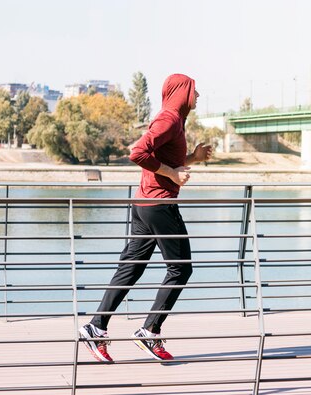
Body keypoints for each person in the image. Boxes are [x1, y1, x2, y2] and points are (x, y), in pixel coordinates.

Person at [79, 73, 212, 362]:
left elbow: (160, 158)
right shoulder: (169, 119)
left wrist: (192, 158)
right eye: (194, 90)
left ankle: (95, 328)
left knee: (131, 268)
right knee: (181, 269)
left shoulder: (173, 120)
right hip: (159, 206)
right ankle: (150, 331)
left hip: (143, 204)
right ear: (181, 91)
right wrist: (173, 174)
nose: (198, 95)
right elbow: (138, 153)